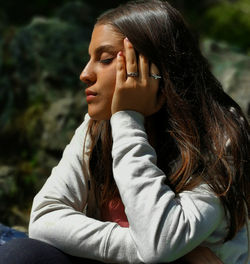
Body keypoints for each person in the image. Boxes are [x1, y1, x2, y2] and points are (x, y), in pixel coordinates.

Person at [0, 0, 249, 263]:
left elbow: (158, 241)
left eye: (105, 59)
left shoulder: (218, 140)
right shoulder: (97, 127)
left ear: (153, 68)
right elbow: (44, 218)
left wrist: (127, 119)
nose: (85, 73)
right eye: (90, 59)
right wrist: (144, 249)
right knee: (19, 254)